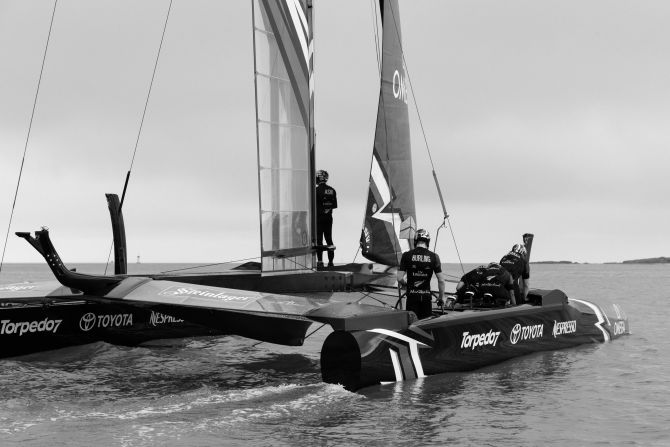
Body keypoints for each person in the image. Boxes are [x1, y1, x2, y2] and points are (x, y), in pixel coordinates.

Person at [397, 229, 446, 320]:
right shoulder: (434, 257)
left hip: (412, 298)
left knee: (412, 326)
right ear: (428, 241)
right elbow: (441, 280)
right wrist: (441, 297)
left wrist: (406, 284)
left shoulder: (406, 255)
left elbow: (399, 278)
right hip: (426, 298)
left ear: (415, 241)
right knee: (425, 326)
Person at [315, 170, 337, 267]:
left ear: (318, 178)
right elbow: (334, 205)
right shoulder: (332, 190)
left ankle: (320, 262)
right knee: (329, 239)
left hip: (318, 218)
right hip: (328, 218)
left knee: (319, 240)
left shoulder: (315, 190)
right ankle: (331, 262)